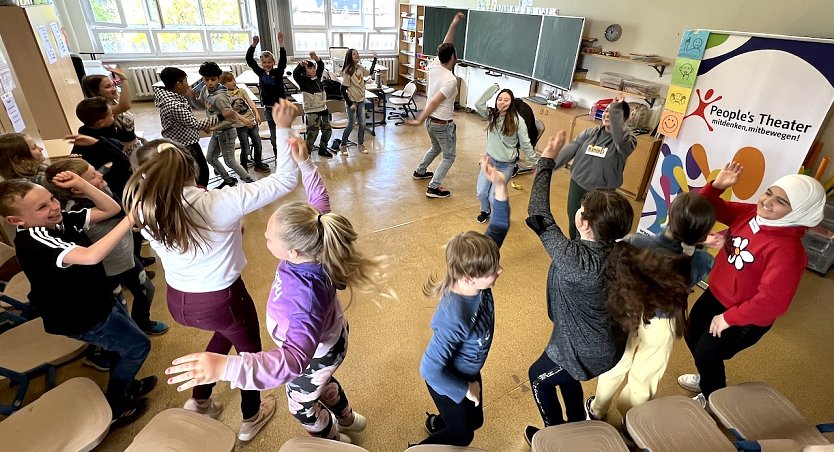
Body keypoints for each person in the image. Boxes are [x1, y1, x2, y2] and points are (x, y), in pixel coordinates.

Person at [165, 138, 379, 444]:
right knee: (321, 383)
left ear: (292, 252)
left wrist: (227, 366)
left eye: (268, 238)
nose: (262, 237)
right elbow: (319, 200)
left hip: (314, 355)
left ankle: (333, 440)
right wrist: (305, 163)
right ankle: (347, 418)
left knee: (302, 406)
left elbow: (293, 360)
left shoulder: (304, 299)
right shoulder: (315, 237)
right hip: (328, 343)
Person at [122, 100, 301, 442]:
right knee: (250, 354)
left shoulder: (144, 209)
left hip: (179, 302)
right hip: (222, 299)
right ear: (191, 167)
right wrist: (283, 126)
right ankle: (251, 417)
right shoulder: (217, 202)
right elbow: (284, 180)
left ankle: (201, 400)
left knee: (224, 335)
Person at [0, 175, 154, 424]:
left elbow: (110, 209)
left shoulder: (57, 221)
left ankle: (125, 385)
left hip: (97, 300)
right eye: (42, 207)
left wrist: (83, 185)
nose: (53, 206)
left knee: (122, 346)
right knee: (138, 347)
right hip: (82, 316)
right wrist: (130, 220)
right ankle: (116, 404)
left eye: (51, 198)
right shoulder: (35, 239)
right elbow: (91, 256)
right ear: (17, 221)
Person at [677, 163, 825, 408]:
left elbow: (772, 303)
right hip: (716, 295)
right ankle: (708, 376)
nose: (767, 202)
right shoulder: (750, 215)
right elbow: (702, 209)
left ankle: (714, 397)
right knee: (693, 334)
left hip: (744, 316)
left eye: (781, 202)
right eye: (768, 192)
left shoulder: (789, 251)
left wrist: (729, 318)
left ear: (798, 211)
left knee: (708, 352)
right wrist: (716, 187)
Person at [523, 131, 634, 443]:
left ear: (584, 223)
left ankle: (557, 437)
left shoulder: (577, 260)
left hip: (586, 348)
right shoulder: (618, 248)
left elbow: (538, 214)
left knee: (538, 378)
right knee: (565, 375)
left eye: (582, 210)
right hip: (593, 339)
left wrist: (546, 161)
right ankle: (575, 423)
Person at [587, 192, 716, 425]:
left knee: (617, 363)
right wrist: (697, 245)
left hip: (629, 313)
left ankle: (597, 409)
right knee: (645, 376)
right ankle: (630, 424)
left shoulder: (637, 242)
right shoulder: (701, 261)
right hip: (663, 323)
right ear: (703, 234)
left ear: (668, 217)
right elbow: (689, 261)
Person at [416, 155, 510, 446]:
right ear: (469, 277)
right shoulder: (453, 316)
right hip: (450, 378)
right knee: (464, 434)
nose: (500, 271)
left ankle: (441, 422)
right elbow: (429, 369)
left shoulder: (475, 275)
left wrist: (501, 186)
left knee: (476, 420)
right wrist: (464, 388)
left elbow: (500, 225)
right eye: (493, 271)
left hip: (470, 368)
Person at [44, 159, 167, 336]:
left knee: (147, 289)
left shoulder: (101, 190)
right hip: (105, 271)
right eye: (93, 175)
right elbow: (117, 212)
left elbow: (113, 162)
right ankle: (125, 335)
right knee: (119, 307)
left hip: (125, 259)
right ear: (78, 189)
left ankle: (142, 322)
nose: (100, 175)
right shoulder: (78, 210)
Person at [551, 97, 636, 239]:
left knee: (594, 226)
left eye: (614, 112)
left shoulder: (628, 141)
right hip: (578, 184)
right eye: (607, 110)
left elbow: (620, 139)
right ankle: (575, 248)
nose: (608, 114)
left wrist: (615, 108)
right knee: (575, 222)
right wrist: (549, 166)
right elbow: (571, 149)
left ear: (624, 118)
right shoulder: (590, 133)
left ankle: (589, 253)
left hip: (603, 192)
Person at [409, 12, 465, 199]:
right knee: (449, 156)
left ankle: (420, 171)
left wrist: (454, 24)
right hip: (442, 124)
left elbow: (445, 43)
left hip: (431, 124)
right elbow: (434, 102)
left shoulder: (434, 65)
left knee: (435, 148)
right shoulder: (450, 79)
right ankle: (434, 187)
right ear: (452, 57)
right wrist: (419, 119)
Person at [154, 66, 235, 187]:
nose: (188, 84)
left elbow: (188, 120)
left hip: (188, 139)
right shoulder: (174, 105)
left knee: (202, 168)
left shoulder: (173, 97)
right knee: (200, 172)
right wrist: (221, 117)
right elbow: (194, 124)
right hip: (185, 143)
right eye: (185, 81)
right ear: (178, 84)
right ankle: (200, 194)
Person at [473, 84, 537, 223]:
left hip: (506, 165)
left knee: (493, 196)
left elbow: (526, 143)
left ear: (512, 102)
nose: (502, 102)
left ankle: (498, 216)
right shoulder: (492, 115)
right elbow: (478, 103)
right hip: (490, 161)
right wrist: (494, 88)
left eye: (506, 100)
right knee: (481, 193)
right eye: (500, 99)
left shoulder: (517, 120)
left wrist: (534, 163)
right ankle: (485, 210)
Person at [195, 61, 254, 187]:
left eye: (213, 79)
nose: (210, 82)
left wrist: (213, 127)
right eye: (207, 79)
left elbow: (231, 120)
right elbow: (201, 105)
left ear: (218, 79)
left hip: (226, 132)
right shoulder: (205, 89)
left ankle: (250, 182)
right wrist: (191, 97)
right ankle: (228, 180)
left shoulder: (221, 97)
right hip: (217, 132)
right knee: (210, 158)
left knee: (230, 161)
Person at [81, 65, 143, 153]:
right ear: (96, 91)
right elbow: (125, 105)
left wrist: (137, 138)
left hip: (134, 147)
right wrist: (123, 79)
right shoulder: (102, 110)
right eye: (108, 87)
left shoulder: (114, 102)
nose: (114, 89)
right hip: (124, 153)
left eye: (113, 85)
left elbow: (126, 130)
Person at [246, 33, 288, 160]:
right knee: (274, 135)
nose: (267, 64)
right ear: (262, 63)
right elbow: (249, 60)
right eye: (264, 62)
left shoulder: (278, 72)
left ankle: (286, 156)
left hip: (280, 109)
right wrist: (254, 45)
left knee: (283, 134)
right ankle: (278, 157)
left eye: (269, 62)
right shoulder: (261, 72)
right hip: (269, 109)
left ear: (273, 62)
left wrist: (281, 45)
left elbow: (283, 61)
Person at [219, 71, 268, 173]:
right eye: (229, 81)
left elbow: (251, 103)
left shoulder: (241, 91)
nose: (233, 82)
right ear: (223, 84)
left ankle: (258, 164)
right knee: (245, 148)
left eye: (233, 79)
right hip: (240, 125)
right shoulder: (225, 96)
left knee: (258, 144)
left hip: (252, 122)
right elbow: (231, 112)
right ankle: (243, 167)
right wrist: (244, 121)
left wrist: (257, 114)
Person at [293, 52, 333, 158]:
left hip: (323, 108)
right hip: (311, 110)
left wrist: (316, 58)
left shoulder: (317, 77)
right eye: (310, 68)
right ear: (305, 71)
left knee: (327, 130)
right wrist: (300, 66)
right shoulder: (303, 81)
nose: (313, 70)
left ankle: (323, 148)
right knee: (312, 133)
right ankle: (307, 152)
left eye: (313, 68)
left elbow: (321, 66)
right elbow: (295, 74)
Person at [337, 49, 370, 155]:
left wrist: (374, 60)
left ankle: (360, 144)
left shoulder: (360, 68)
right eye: (354, 54)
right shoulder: (348, 71)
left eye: (357, 53)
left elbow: (370, 72)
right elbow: (342, 89)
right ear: (349, 57)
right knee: (351, 124)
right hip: (352, 101)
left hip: (361, 100)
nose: (356, 55)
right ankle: (343, 145)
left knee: (363, 124)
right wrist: (350, 103)